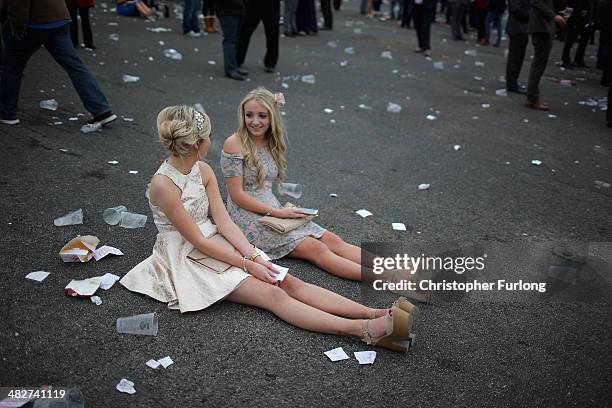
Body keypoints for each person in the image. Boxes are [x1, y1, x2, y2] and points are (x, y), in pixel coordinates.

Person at [120, 105, 418, 353]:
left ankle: (374, 314)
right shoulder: (163, 184)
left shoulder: (203, 169)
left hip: (212, 241)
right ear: (197, 142)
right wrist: (248, 263)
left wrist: (255, 256)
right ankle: (366, 330)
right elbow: (195, 238)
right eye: (208, 137)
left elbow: (223, 223)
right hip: (184, 256)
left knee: (288, 281)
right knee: (273, 295)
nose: (212, 141)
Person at [221, 88, 371, 282]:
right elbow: (237, 196)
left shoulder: (270, 140)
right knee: (316, 248)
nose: (255, 121)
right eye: (249, 115)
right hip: (247, 216)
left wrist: (279, 211)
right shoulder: (234, 143)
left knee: (332, 240)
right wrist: (276, 213)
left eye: (262, 115)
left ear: (272, 117)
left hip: (273, 207)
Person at [0, 0, 116, 127]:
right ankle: (101, 110)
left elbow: (18, 5)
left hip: (35, 22)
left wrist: (17, 27)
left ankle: (8, 113)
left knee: (11, 67)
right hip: (59, 18)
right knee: (75, 66)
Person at [525, 0, 567, 110]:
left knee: (539, 64)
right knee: (539, 64)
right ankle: (532, 98)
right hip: (541, 28)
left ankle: (532, 97)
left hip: (543, 27)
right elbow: (536, 2)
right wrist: (554, 16)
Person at [237, 0, 281, 73]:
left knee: (272, 35)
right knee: (245, 33)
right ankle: (238, 58)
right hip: (257, 5)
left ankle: (271, 61)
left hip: (268, 5)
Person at [214, 0, 247, 81]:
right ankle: (231, 69)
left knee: (234, 40)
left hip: (237, 9)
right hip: (228, 10)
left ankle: (234, 66)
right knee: (230, 40)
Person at [506, 0, 530, 93]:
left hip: (521, 29)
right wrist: (533, 14)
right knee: (515, 58)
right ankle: (512, 84)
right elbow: (516, 10)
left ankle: (513, 82)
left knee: (518, 58)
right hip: (517, 29)